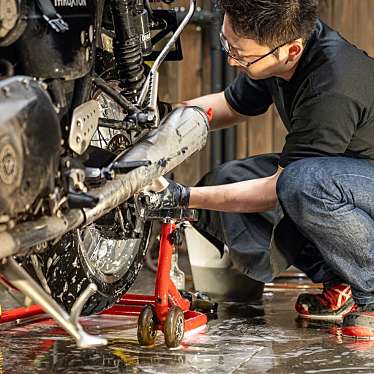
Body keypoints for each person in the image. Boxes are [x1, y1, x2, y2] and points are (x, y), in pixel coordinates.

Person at [146, 0, 374, 339]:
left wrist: (182, 197)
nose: (230, 59)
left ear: (290, 50)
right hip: (346, 179)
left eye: (240, 55)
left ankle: (370, 295)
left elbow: (274, 191)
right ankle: (339, 279)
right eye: (227, 44)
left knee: (301, 185)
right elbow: (228, 106)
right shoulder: (277, 51)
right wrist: (156, 119)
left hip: (359, 181)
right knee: (228, 181)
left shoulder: (332, 84)